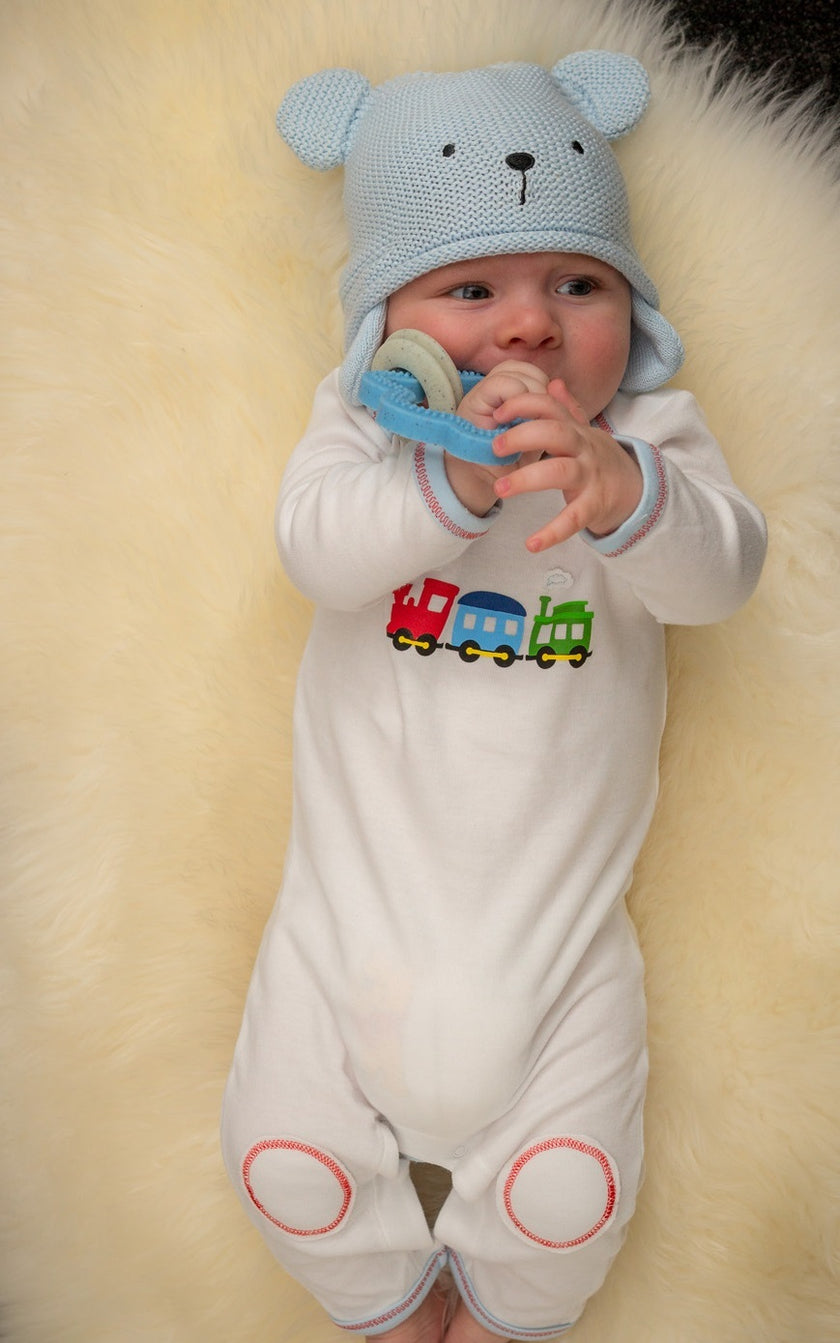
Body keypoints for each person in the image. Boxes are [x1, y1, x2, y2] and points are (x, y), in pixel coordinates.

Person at [221, 53, 767, 1343]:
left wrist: (626, 491)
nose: (528, 327)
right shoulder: (366, 436)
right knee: (283, 1167)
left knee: (567, 1201)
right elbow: (315, 549)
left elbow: (727, 578)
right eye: (473, 289)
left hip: (558, 944)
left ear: (631, 312)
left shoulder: (651, 438)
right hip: (345, 923)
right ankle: (389, 1303)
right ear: (391, 330)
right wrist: (453, 486)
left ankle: (512, 1307)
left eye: (577, 286)